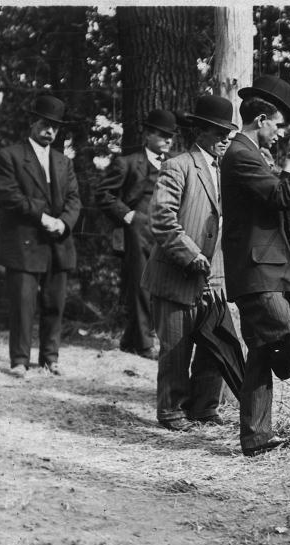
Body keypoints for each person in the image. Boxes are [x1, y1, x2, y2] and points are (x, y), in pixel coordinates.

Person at [221, 75, 290, 457]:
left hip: (261, 267)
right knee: (289, 335)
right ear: (262, 120)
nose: (279, 132)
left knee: (258, 351)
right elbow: (285, 196)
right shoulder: (240, 154)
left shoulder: (248, 153)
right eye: (278, 125)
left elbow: (272, 195)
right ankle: (286, 368)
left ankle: (256, 437)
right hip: (257, 270)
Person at [140, 95, 239, 431]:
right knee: (175, 350)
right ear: (200, 130)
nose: (224, 137)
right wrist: (191, 254)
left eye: (227, 131)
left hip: (216, 278)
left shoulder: (228, 172)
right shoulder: (178, 166)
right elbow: (162, 220)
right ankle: (170, 411)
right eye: (217, 130)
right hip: (176, 276)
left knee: (217, 345)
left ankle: (204, 408)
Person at [0, 94, 81, 377]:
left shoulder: (63, 161)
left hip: (58, 242)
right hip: (24, 241)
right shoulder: (10, 156)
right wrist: (42, 217)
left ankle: (50, 359)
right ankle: (19, 360)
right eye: (45, 124)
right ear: (33, 122)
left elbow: (74, 199)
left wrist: (64, 223)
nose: (50, 131)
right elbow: (8, 196)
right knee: (23, 305)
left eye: (55, 127)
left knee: (55, 304)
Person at [95, 108, 178, 359]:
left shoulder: (174, 164)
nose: (167, 140)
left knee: (162, 286)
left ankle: (130, 340)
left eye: (171, 136)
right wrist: (127, 215)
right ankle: (144, 345)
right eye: (162, 135)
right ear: (148, 134)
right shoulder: (128, 162)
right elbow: (103, 194)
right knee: (142, 285)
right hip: (138, 229)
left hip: (166, 231)